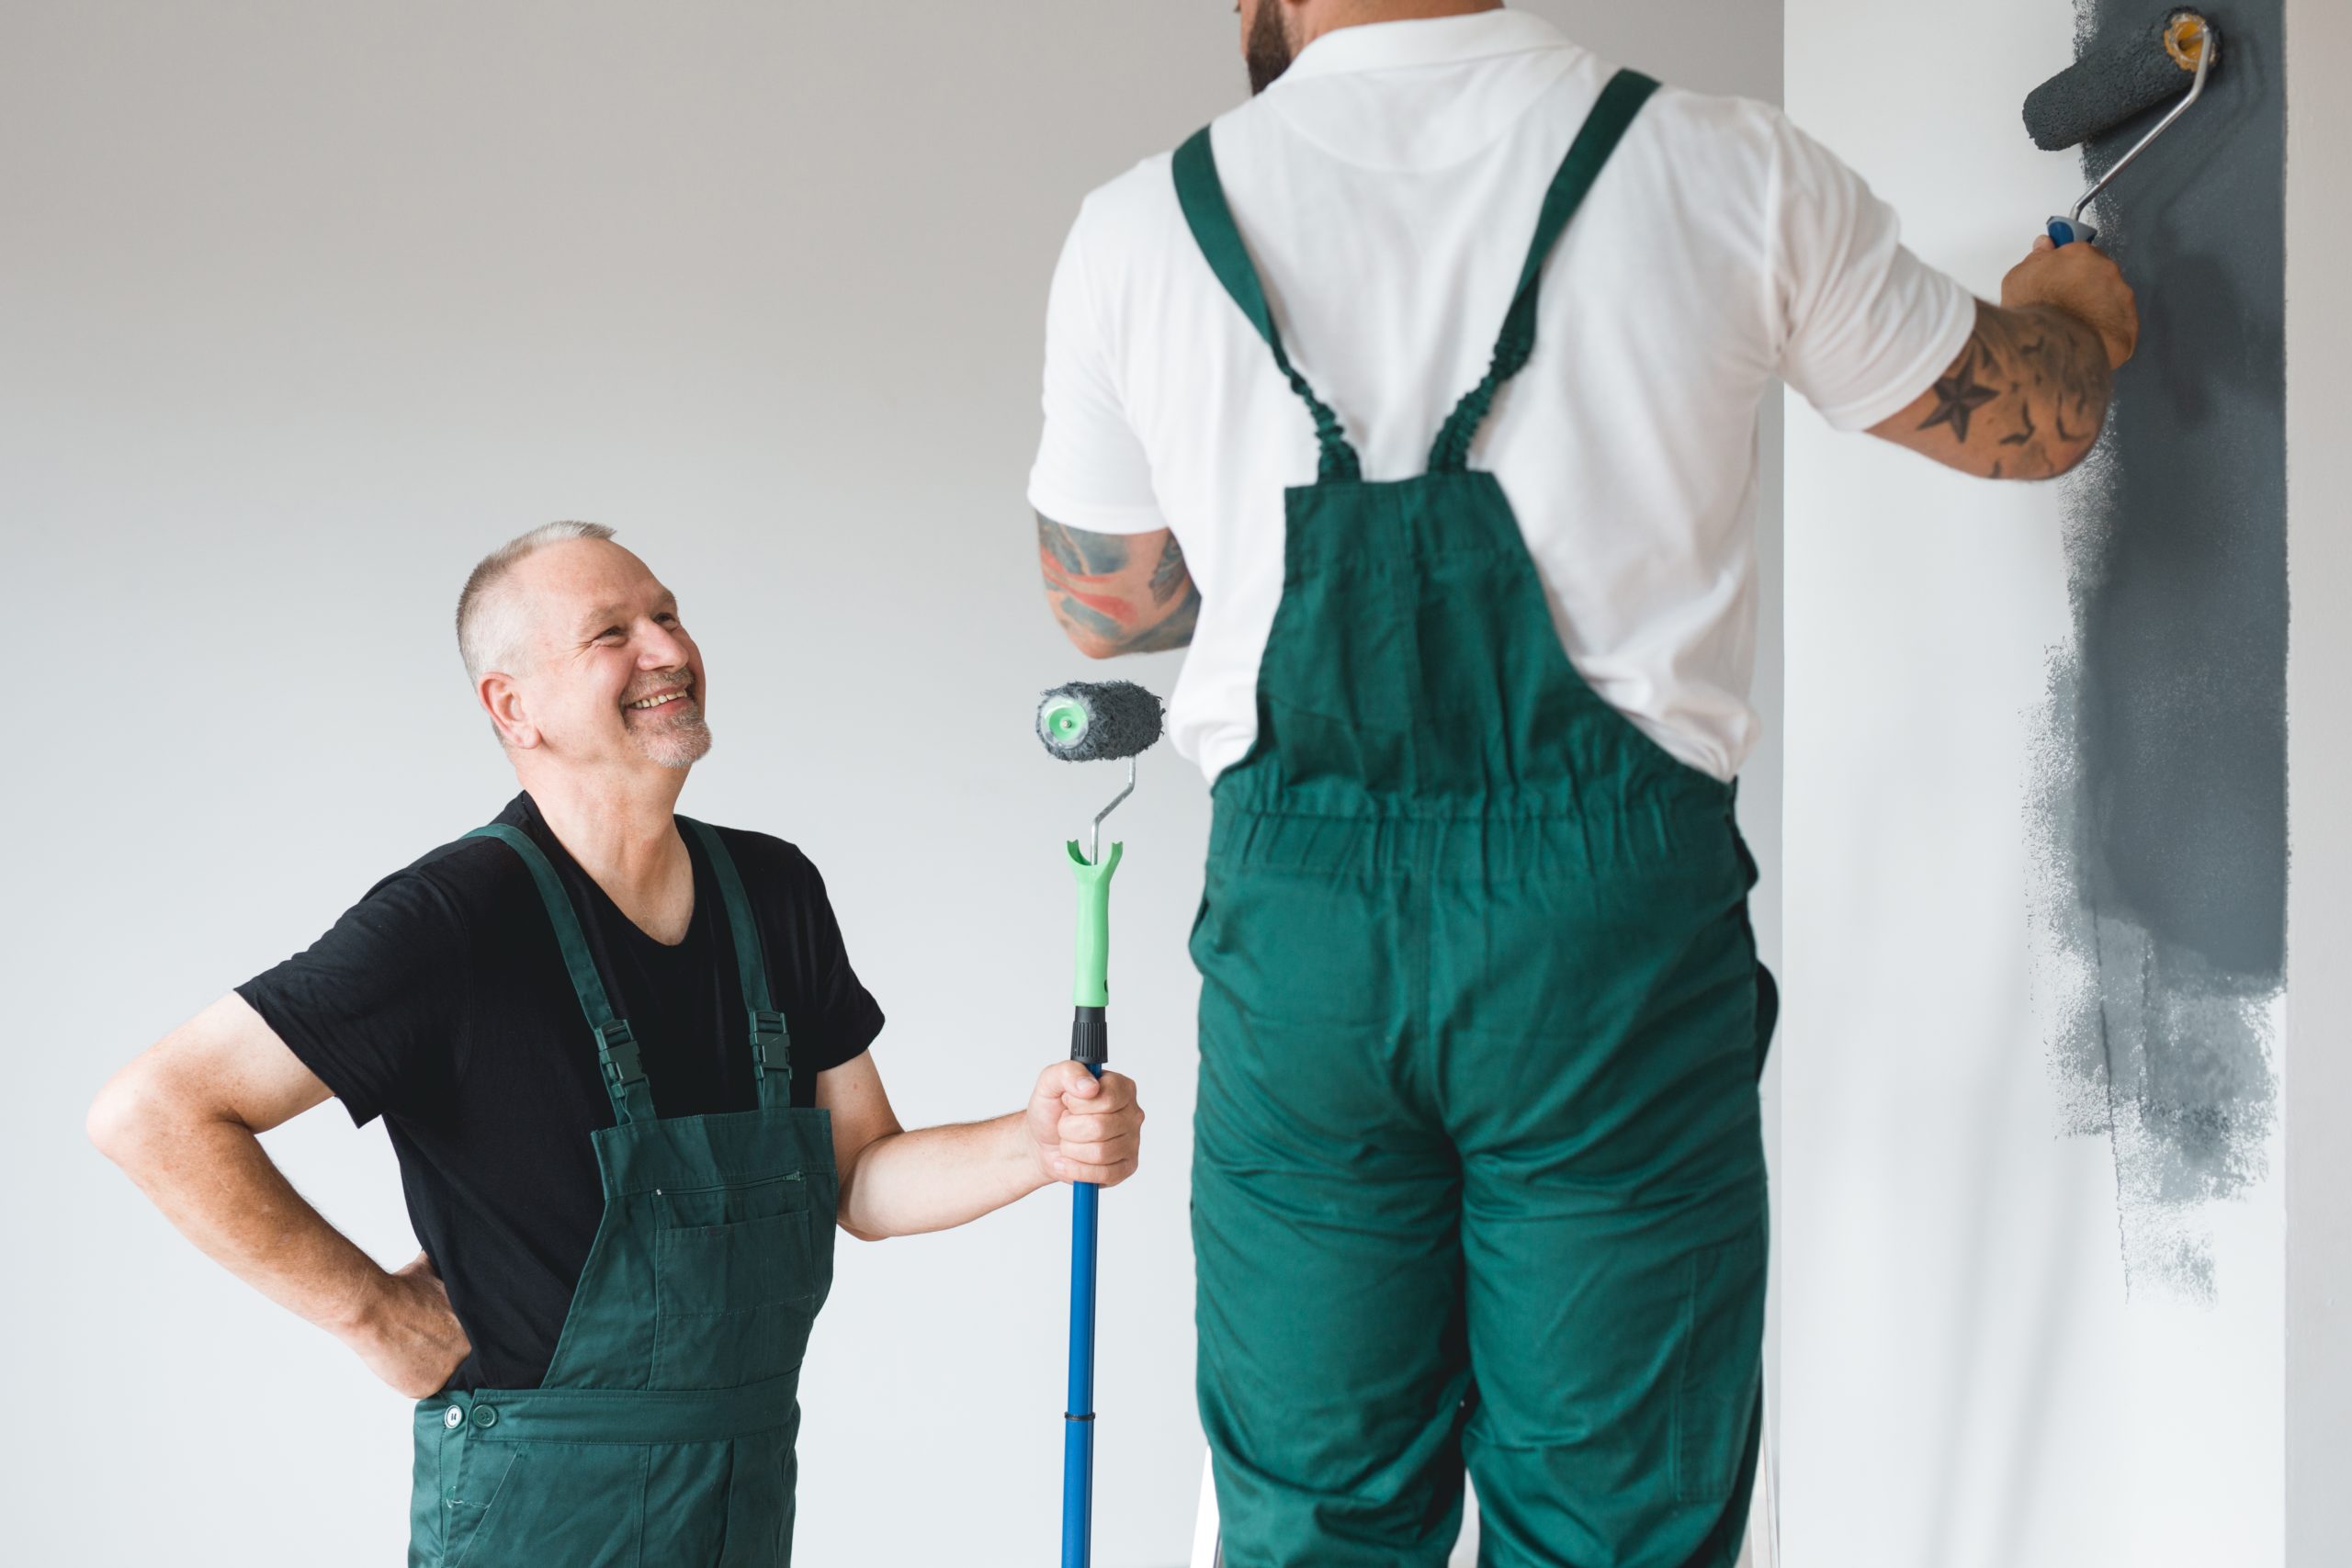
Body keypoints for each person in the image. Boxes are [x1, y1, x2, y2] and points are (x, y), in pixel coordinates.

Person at [1027, 3, 2135, 1564]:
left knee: (1316, 1504)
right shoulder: (1720, 168)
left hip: (1303, 950)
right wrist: (2068, 314)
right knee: (1617, 1511)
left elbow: (1108, 606)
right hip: (1602, 947)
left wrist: (1267, 542)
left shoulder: (1143, 226)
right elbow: (2034, 426)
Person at [87, 521, 1148, 1566]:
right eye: (611, 633)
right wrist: (371, 1313)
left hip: (741, 1489)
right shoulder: (454, 921)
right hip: (545, 1513)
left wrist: (1038, 1145)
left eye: (669, 616)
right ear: (514, 707)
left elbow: (859, 1174)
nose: (669, 650)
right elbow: (154, 1113)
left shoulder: (772, 892)